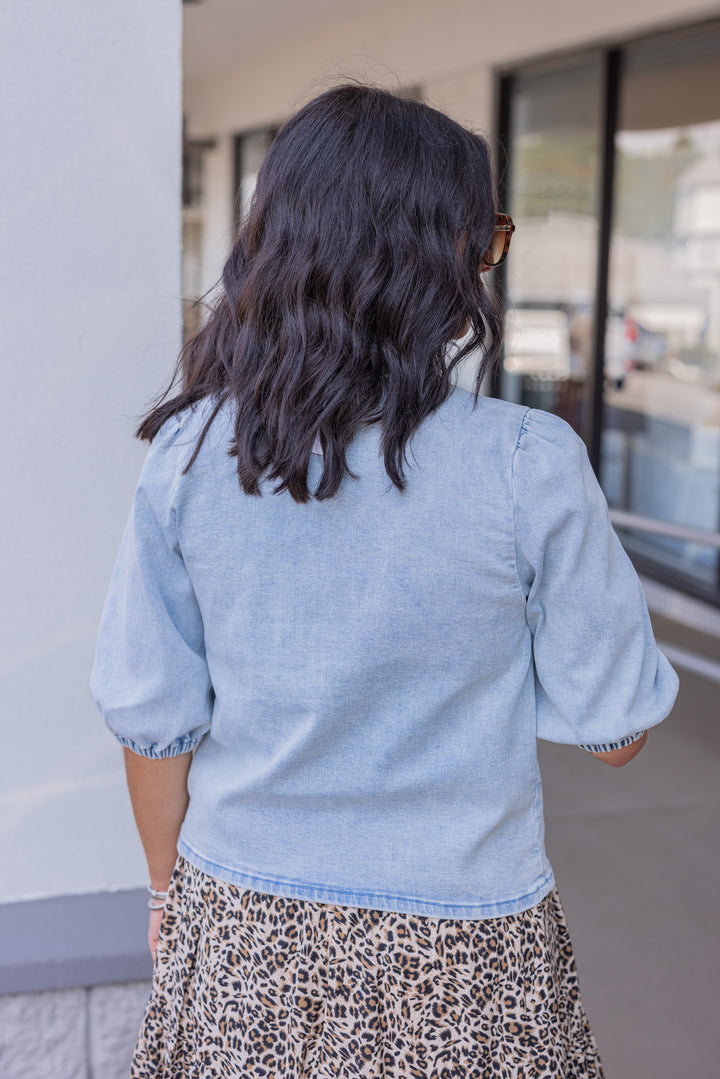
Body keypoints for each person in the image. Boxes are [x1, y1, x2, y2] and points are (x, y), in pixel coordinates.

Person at [90, 84, 678, 1079]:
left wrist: (164, 895)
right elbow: (615, 734)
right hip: (471, 945)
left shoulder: (189, 451)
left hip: (242, 928)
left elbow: (153, 720)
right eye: (484, 241)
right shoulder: (527, 460)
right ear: (443, 257)